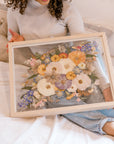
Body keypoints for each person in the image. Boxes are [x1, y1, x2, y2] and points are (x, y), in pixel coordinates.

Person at [6, 0, 114, 136]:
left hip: (75, 65)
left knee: (90, 45)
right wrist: (19, 44)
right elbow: (15, 49)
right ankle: (104, 125)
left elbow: (85, 48)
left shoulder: (67, 8)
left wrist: (106, 88)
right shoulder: (15, 11)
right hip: (44, 70)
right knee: (50, 98)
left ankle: (106, 93)